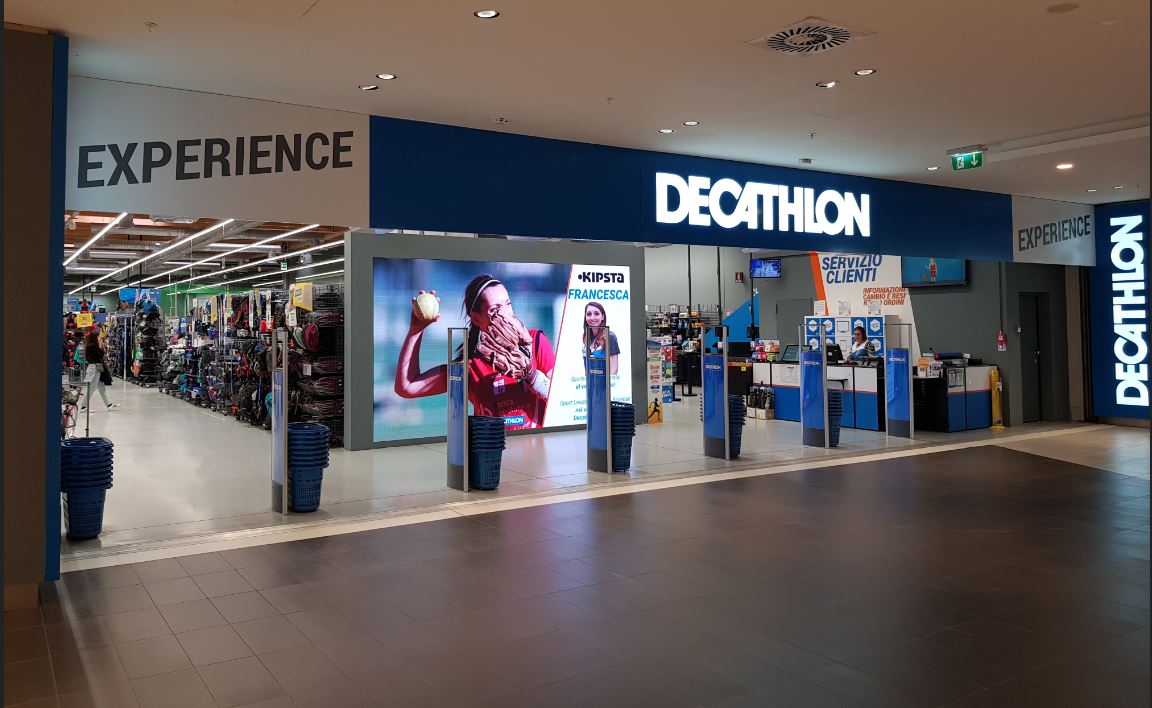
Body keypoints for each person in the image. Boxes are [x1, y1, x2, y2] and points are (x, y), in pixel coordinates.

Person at [394, 274, 556, 429]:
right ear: (476, 318)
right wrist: (416, 330)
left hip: (537, 446)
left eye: (508, 304)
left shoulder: (534, 343)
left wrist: (532, 376)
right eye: (495, 309)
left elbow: (563, 400)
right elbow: (407, 386)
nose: (505, 314)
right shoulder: (470, 366)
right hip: (492, 448)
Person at [83, 330, 119, 410]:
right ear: (95, 337)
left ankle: (109, 404)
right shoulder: (92, 345)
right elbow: (99, 356)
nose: (100, 337)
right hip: (95, 366)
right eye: (98, 336)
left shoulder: (91, 345)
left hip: (97, 365)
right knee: (92, 387)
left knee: (101, 387)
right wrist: (100, 346)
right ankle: (83, 406)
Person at [582, 301, 620, 375]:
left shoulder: (610, 336)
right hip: (591, 381)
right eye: (589, 314)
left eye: (596, 314)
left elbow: (614, 370)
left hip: (604, 381)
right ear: (585, 317)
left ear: (602, 317)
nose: (592, 317)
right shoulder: (587, 338)